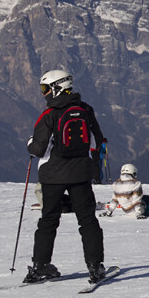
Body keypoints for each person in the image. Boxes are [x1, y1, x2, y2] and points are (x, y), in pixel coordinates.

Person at [24, 69, 107, 284]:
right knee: (87, 220)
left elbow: (38, 149)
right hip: (80, 174)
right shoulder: (86, 110)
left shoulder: (48, 115)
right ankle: (95, 265)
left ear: (56, 87)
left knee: (48, 220)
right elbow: (98, 142)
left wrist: (30, 143)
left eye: (44, 89)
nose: (43, 94)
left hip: (52, 176)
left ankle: (40, 266)